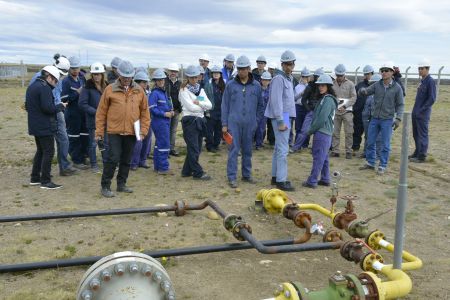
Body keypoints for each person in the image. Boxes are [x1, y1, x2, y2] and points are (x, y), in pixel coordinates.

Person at [95, 60, 150, 197]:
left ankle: (121, 184)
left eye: (129, 76)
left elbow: (145, 113)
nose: (126, 79)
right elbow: (101, 112)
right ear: (119, 75)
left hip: (132, 131)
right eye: (124, 76)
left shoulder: (139, 91)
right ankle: (105, 186)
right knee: (113, 158)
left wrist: (143, 131)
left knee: (126, 159)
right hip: (114, 131)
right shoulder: (110, 89)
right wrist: (99, 132)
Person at [28, 54, 77, 176]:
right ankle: (44, 172)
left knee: (61, 141)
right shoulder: (39, 79)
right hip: (47, 113)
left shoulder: (55, 79)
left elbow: (56, 96)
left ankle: (61, 167)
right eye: (59, 74)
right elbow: (32, 97)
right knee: (47, 146)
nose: (59, 78)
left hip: (55, 110)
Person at [222, 55, 264, 188]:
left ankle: (246, 175)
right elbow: (225, 105)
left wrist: (256, 121)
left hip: (250, 123)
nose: (241, 71)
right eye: (239, 69)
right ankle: (232, 177)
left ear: (249, 69)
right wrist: (224, 124)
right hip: (233, 123)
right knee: (234, 149)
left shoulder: (256, 86)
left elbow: (260, 106)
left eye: (244, 69)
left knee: (247, 150)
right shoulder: (230, 85)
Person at [26, 66, 67, 189]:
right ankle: (45, 181)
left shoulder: (33, 86)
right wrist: (60, 106)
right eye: (55, 80)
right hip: (45, 126)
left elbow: (28, 106)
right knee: (49, 152)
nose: (55, 84)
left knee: (41, 151)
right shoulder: (44, 88)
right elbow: (48, 108)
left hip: (35, 125)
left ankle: (35, 177)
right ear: (49, 77)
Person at [359, 64, 404, 175]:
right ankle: (370, 163)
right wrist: (362, 90)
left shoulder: (397, 88)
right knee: (370, 142)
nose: (384, 72)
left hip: (387, 120)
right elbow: (367, 91)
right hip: (375, 118)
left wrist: (398, 118)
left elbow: (400, 104)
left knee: (385, 144)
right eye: (382, 70)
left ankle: (382, 165)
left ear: (392, 72)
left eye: (387, 70)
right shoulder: (377, 85)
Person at [264, 50, 297, 191]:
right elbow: (276, 101)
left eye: (292, 64)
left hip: (285, 116)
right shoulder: (279, 79)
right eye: (287, 64)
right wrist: (280, 120)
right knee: (283, 149)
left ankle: (275, 177)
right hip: (282, 116)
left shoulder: (287, 78)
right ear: (282, 64)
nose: (290, 67)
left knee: (279, 148)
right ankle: (281, 181)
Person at [302, 75, 338, 188]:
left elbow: (321, 118)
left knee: (318, 157)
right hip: (325, 132)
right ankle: (325, 178)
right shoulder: (326, 99)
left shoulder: (327, 100)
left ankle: (312, 181)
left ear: (328, 86)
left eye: (323, 85)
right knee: (324, 157)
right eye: (319, 85)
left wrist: (310, 131)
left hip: (322, 132)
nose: (320, 87)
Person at [179, 65, 212, 180]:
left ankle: (186, 171)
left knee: (196, 147)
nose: (194, 79)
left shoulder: (200, 90)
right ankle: (198, 172)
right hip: (189, 121)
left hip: (199, 121)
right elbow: (190, 107)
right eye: (191, 77)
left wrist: (200, 104)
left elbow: (210, 105)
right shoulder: (183, 91)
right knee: (193, 148)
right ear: (188, 77)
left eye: (195, 77)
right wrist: (202, 107)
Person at [79, 62, 108, 173]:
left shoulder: (106, 86)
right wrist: (96, 112)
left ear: (102, 74)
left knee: (105, 142)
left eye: (98, 74)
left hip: (105, 120)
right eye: (94, 74)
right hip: (93, 120)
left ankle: (106, 162)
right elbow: (82, 104)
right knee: (93, 143)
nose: (96, 76)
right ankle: (94, 165)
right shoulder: (87, 87)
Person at [62, 56, 88, 169]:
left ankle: (83, 157)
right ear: (69, 69)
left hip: (83, 114)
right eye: (72, 68)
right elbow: (64, 99)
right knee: (74, 137)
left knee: (84, 136)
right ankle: (76, 160)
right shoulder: (66, 82)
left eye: (77, 68)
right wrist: (77, 93)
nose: (75, 70)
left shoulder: (82, 79)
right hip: (72, 114)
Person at [410, 60, 436, 163]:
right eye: (419, 69)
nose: (420, 70)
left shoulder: (430, 81)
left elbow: (432, 98)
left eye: (422, 69)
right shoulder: (422, 81)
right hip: (416, 112)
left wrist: (422, 110)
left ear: (427, 69)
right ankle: (417, 151)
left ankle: (422, 155)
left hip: (423, 113)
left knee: (422, 134)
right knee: (415, 133)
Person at [291, 67, 323, 152]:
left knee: (319, 131)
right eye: (317, 76)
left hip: (319, 112)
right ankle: (296, 146)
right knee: (303, 129)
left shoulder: (324, 88)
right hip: (307, 110)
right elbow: (302, 100)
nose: (318, 78)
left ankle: (315, 148)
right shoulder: (308, 87)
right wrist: (309, 110)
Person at [149, 69, 173, 174]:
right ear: (155, 81)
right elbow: (152, 108)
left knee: (159, 144)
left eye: (162, 79)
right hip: (159, 122)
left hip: (165, 121)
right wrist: (164, 114)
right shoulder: (155, 93)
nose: (161, 82)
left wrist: (170, 110)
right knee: (164, 143)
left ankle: (157, 166)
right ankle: (163, 168)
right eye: (159, 80)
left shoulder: (163, 92)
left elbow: (166, 105)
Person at [331, 64, 357, 159]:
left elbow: (354, 97)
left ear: (344, 74)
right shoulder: (332, 84)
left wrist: (345, 106)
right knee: (335, 132)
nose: (339, 77)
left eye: (341, 75)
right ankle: (335, 151)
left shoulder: (350, 84)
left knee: (349, 132)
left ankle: (349, 151)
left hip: (347, 112)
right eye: (337, 75)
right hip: (335, 112)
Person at [130, 71, 152, 170]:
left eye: (146, 82)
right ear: (138, 83)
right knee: (138, 142)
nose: (146, 84)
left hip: (146, 119)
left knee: (147, 140)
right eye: (144, 82)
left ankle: (142, 161)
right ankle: (133, 163)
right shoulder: (133, 93)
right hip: (137, 120)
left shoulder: (147, 92)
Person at [352, 65, 374, 153]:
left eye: (368, 74)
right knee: (357, 132)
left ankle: (367, 151)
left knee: (369, 134)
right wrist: (355, 109)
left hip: (371, 114)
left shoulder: (376, 86)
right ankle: (355, 148)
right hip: (359, 113)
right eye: (365, 74)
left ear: (372, 74)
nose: (367, 75)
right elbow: (354, 98)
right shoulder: (359, 86)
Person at [361, 74, 383, 159]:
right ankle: (367, 152)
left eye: (375, 83)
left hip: (376, 118)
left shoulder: (381, 95)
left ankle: (377, 155)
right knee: (367, 136)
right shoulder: (370, 94)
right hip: (366, 118)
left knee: (378, 138)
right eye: (372, 83)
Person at [205, 65, 225, 152]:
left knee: (218, 130)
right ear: (212, 74)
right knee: (209, 130)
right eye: (214, 73)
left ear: (220, 74)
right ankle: (209, 146)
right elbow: (203, 97)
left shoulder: (224, 84)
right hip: (211, 111)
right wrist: (206, 111)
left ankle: (216, 145)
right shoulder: (208, 85)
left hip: (221, 111)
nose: (216, 74)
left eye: (218, 73)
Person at [292, 67, 312, 151]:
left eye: (307, 77)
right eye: (304, 77)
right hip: (299, 107)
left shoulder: (311, 87)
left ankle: (305, 144)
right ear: (301, 77)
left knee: (307, 127)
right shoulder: (297, 87)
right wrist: (301, 94)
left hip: (307, 107)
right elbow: (294, 98)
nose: (305, 79)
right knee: (298, 127)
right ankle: (297, 143)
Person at [165, 63, 182, 156]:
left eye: (175, 71)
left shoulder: (180, 84)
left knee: (173, 131)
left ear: (177, 73)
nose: (173, 73)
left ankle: (171, 148)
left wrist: (180, 108)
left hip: (176, 110)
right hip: (167, 111)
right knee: (166, 130)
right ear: (168, 72)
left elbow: (182, 96)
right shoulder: (164, 82)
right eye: (171, 71)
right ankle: (165, 149)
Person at [254, 71, 272, 150]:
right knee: (253, 128)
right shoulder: (257, 89)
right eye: (264, 80)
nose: (265, 81)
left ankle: (259, 144)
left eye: (267, 80)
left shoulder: (271, 90)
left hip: (265, 113)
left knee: (262, 128)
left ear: (270, 81)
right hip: (256, 112)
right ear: (261, 80)